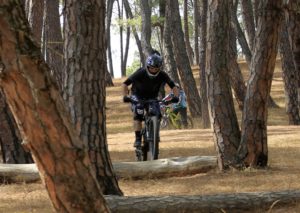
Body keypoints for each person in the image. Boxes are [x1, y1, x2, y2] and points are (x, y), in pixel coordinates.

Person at [122, 53, 179, 148]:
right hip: (137, 96)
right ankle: (138, 139)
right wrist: (125, 96)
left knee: (157, 113)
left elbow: (173, 86)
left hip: (152, 97)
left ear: (160, 67)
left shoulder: (162, 75)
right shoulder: (141, 72)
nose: (154, 70)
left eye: (156, 68)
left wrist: (176, 97)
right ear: (147, 66)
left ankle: (155, 133)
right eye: (151, 68)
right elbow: (125, 84)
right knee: (138, 114)